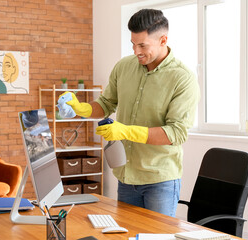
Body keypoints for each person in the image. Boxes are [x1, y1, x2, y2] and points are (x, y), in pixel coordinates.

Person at [60, 8, 200, 217]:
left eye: (143, 45)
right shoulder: (124, 67)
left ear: (163, 40)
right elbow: (106, 103)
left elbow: (176, 134)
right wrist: (82, 108)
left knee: (157, 237)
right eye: (133, 44)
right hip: (126, 175)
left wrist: (126, 132)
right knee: (125, 234)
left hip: (159, 179)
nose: (136, 51)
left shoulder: (182, 78)